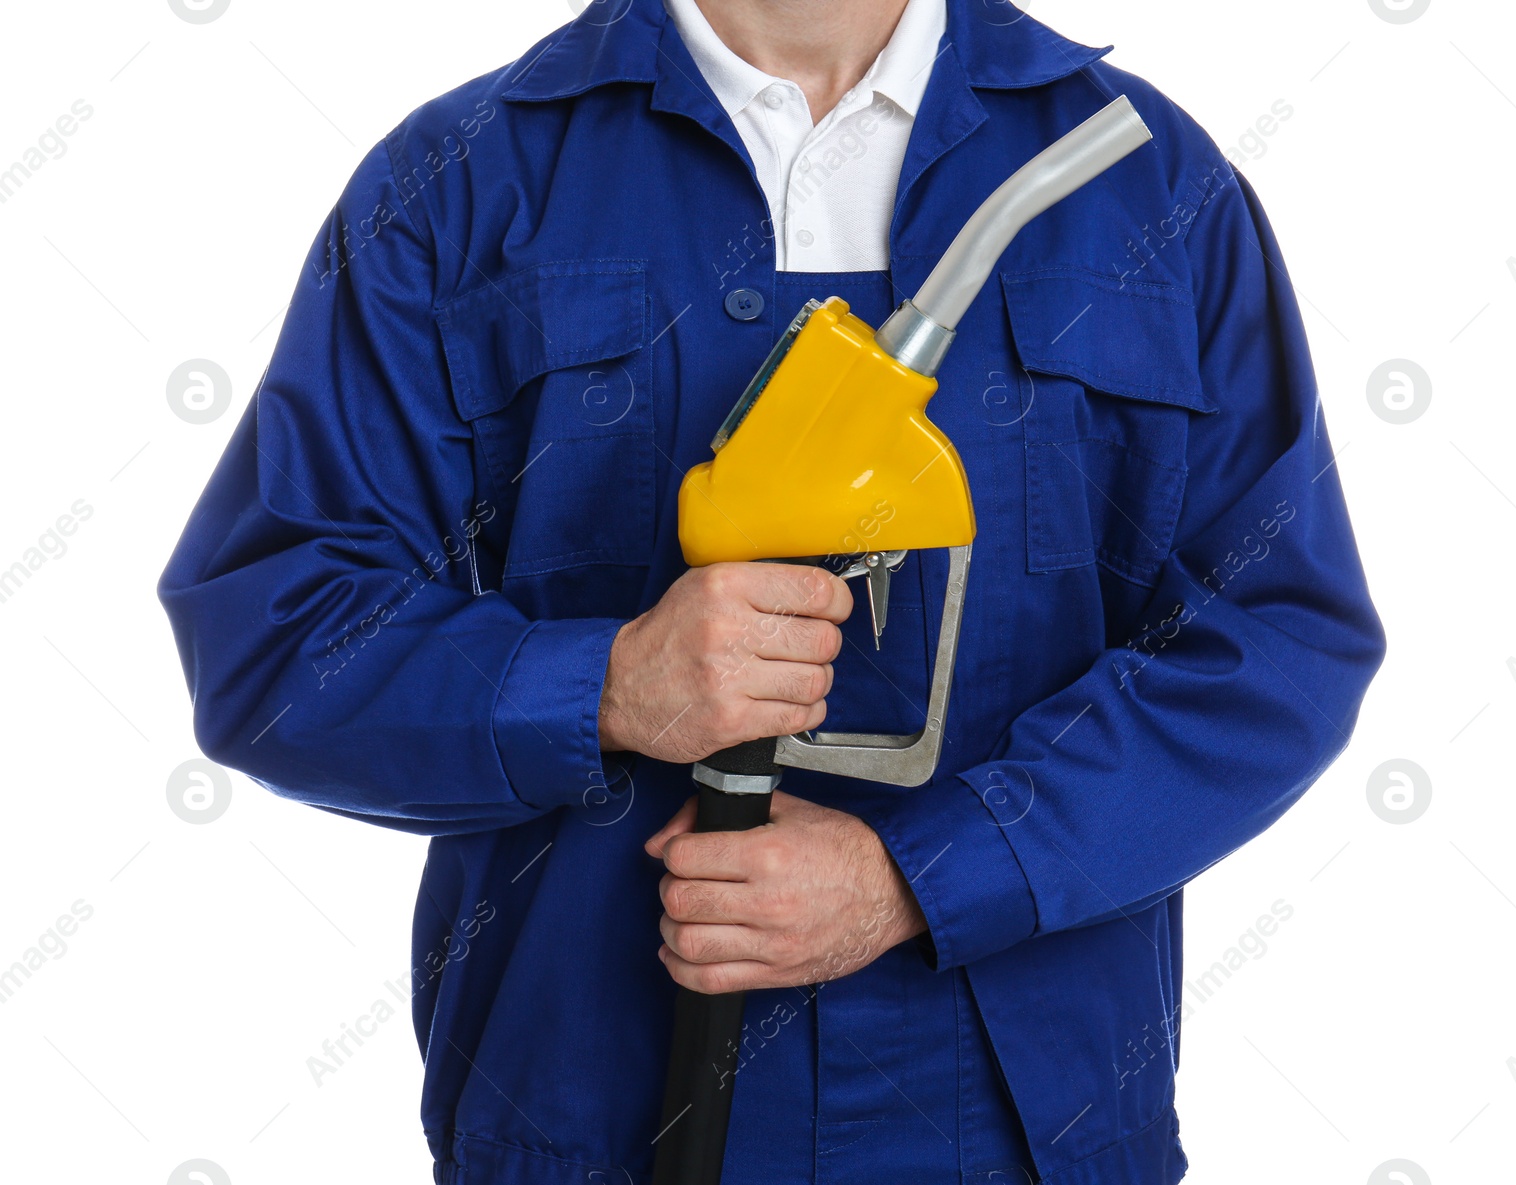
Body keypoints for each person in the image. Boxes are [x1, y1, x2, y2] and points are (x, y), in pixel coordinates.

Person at [157, 0, 1385, 1180]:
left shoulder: (1142, 183)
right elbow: (277, 636)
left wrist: (922, 876)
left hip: (1026, 1134)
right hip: (587, 1119)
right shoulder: (463, 185)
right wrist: (605, 686)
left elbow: (1277, 637)